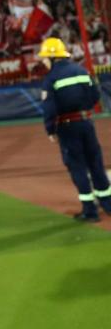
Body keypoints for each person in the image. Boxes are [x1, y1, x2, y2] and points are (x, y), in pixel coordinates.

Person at [37, 37, 110, 222]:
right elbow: (95, 95)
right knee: (95, 162)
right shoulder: (81, 70)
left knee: (77, 165)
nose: (44, 62)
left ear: (52, 58)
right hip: (86, 123)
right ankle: (108, 204)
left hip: (67, 127)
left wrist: (50, 130)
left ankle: (89, 210)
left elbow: (49, 108)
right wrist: (83, 109)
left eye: (45, 58)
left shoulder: (51, 78)